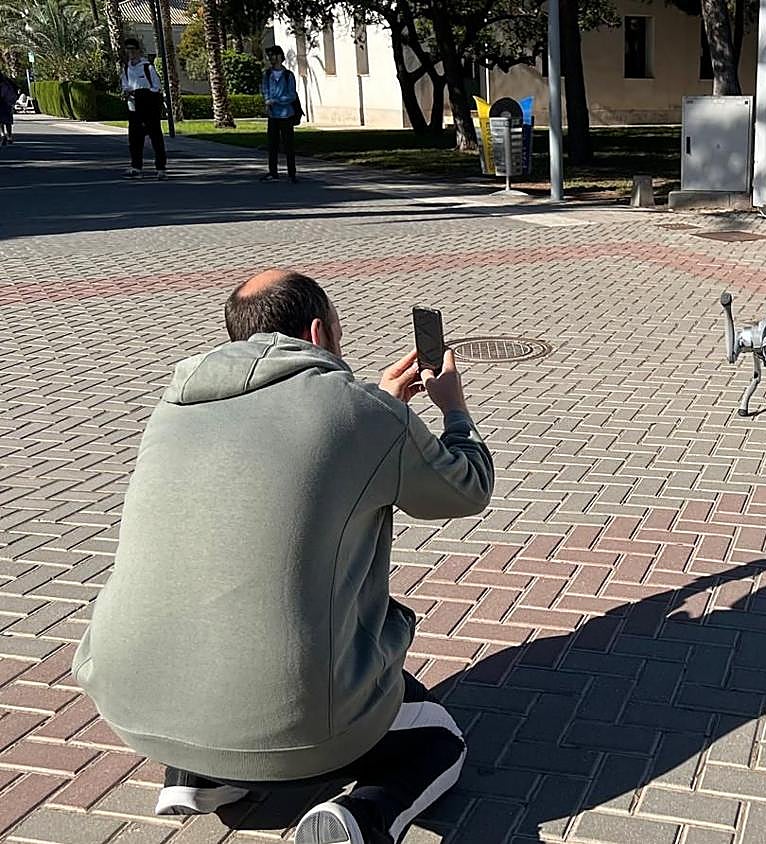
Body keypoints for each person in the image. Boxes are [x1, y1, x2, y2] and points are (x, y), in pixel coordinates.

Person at [71, 270, 494, 844]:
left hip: (127, 699)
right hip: (296, 715)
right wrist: (453, 410)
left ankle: (197, 775)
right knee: (439, 739)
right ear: (319, 333)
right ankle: (365, 816)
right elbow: (467, 489)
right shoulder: (363, 413)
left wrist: (382, 406)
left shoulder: (173, 402)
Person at [120, 37, 167, 179]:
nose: (131, 53)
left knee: (156, 138)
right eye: (128, 50)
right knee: (134, 140)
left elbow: (156, 87)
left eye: (133, 50)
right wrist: (128, 92)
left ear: (138, 51)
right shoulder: (127, 68)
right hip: (134, 108)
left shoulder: (147, 67)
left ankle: (160, 168)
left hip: (149, 109)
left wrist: (142, 94)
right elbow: (125, 85)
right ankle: (136, 167)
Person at [261, 45, 299, 183]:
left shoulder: (288, 75)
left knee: (288, 145)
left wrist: (276, 100)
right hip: (273, 115)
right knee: (272, 145)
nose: (271, 59)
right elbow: (265, 89)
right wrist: (267, 101)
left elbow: (292, 95)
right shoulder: (267, 74)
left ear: (279, 57)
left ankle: (291, 173)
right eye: (269, 56)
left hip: (286, 114)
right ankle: (273, 172)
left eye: (273, 55)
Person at [0, 70, 18, 146]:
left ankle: (2, 134)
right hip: (7, 103)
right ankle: (9, 137)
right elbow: (16, 88)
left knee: (0, 121)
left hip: (1, 103)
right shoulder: (7, 81)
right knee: (8, 121)